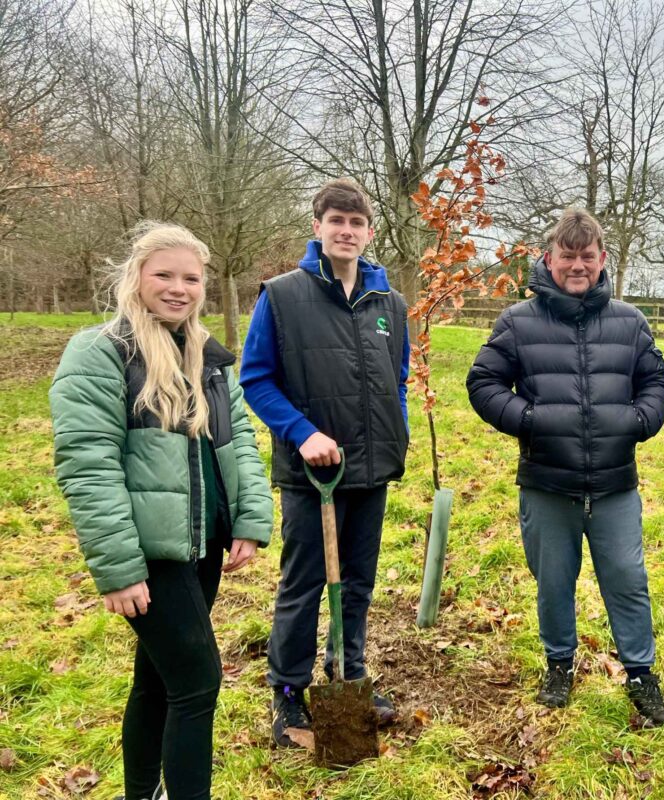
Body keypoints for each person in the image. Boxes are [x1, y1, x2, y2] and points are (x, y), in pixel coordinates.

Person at [49, 222, 273, 800]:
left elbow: (241, 442)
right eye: (164, 275)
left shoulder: (209, 359)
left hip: (203, 544)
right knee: (198, 683)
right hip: (149, 553)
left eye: (191, 278)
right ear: (136, 277)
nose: (179, 288)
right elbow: (88, 466)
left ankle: (142, 792)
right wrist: (120, 569)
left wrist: (249, 520)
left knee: (158, 681)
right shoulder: (102, 353)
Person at [466, 208, 664, 725]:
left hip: (614, 484)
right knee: (553, 581)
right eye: (567, 256)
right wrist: (529, 419)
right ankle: (559, 664)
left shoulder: (629, 322)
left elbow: (657, 382)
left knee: (627, 578)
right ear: (549, 258)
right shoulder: (518, 321)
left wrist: (639, 421)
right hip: (546, 482)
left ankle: (640, 673)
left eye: (587, 256)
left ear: (602, 259)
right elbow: (483, 383)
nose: (577, 265)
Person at [240, 179, 409, 747]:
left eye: (357, 223)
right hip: (313, 473)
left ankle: (347, 672)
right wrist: (303, 433)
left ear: (369, 231)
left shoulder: (390, 304)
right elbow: (256, 379)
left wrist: (397, 433)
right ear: (318, 227)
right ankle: (288, 693)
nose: (347, 231)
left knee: (358, 582)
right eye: (336, 220)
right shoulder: (282, 296)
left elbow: (397, 380)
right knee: (304, 583)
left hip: (372, 467)